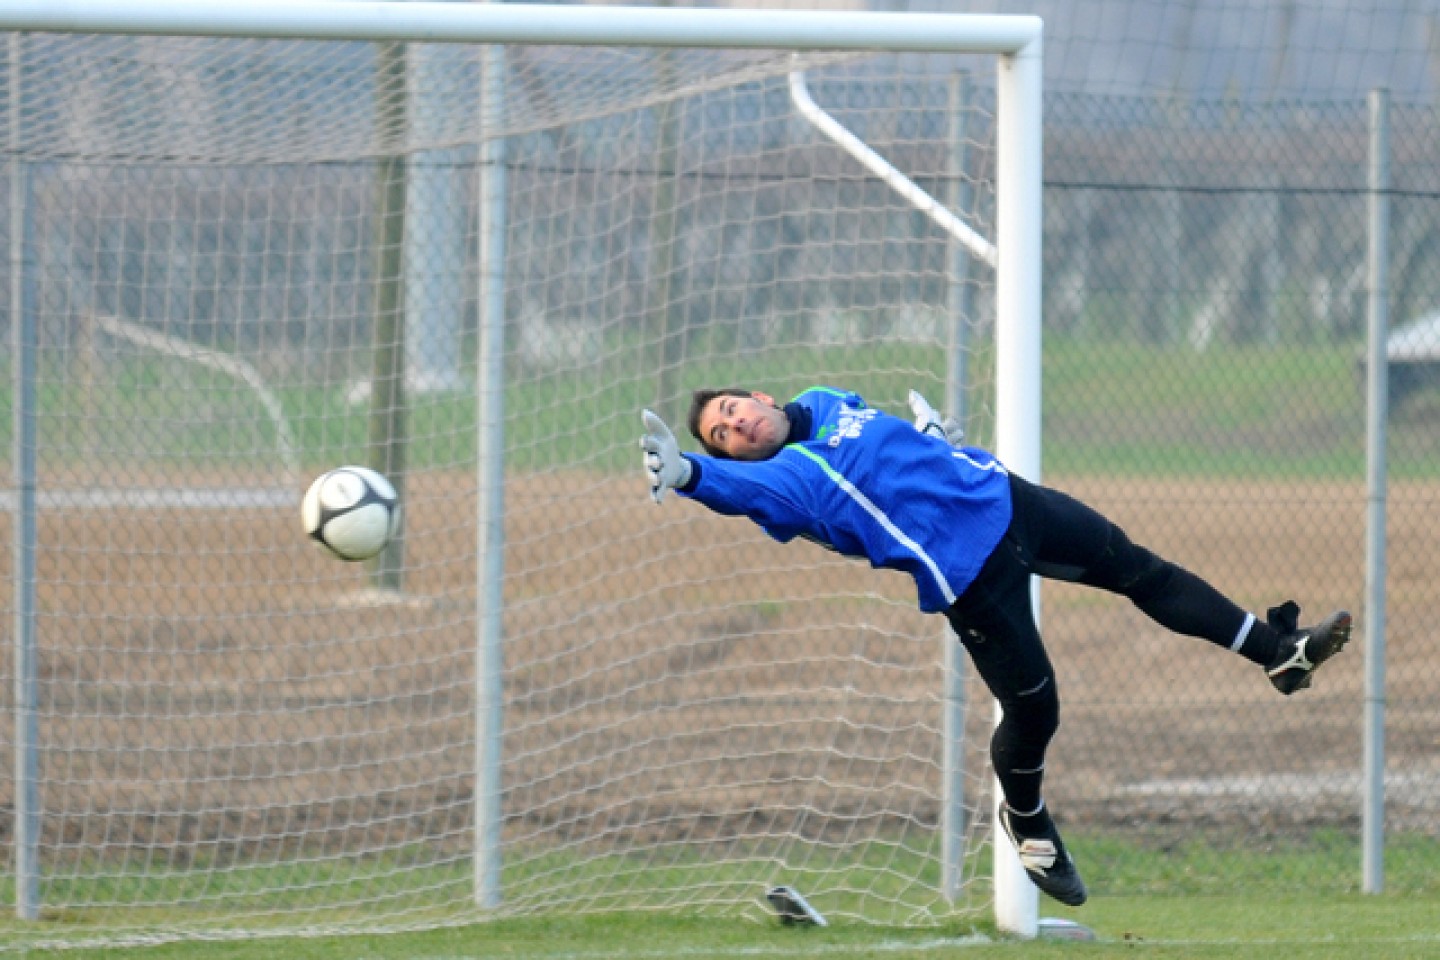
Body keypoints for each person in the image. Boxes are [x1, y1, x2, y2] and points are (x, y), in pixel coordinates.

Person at [639, 385, 1351, 907]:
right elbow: (736, 489)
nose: (735, 425)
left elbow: (895, 449)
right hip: (970, 572)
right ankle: (1028, 819)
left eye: (732, 410)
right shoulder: (787, 480)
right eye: (722, 434)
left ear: (758, 396)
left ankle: (1280, 654)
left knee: (1144, 571)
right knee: (1037, 710)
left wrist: (933, 439)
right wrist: (689, 474)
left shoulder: (826, 399)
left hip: (1008, 500)